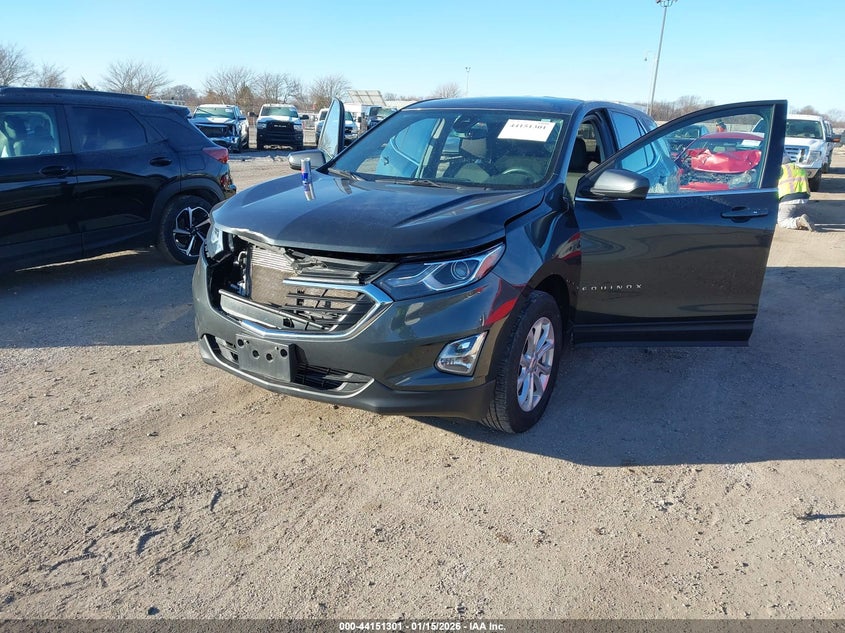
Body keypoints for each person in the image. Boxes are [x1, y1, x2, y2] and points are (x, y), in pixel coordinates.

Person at [778, 153, 815, 231]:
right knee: (792, 211)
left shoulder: (780, 169)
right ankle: (801, 219)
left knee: (782, 221)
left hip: (788, 199)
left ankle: (799, 222)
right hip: (804, 198)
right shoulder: (799, 168)